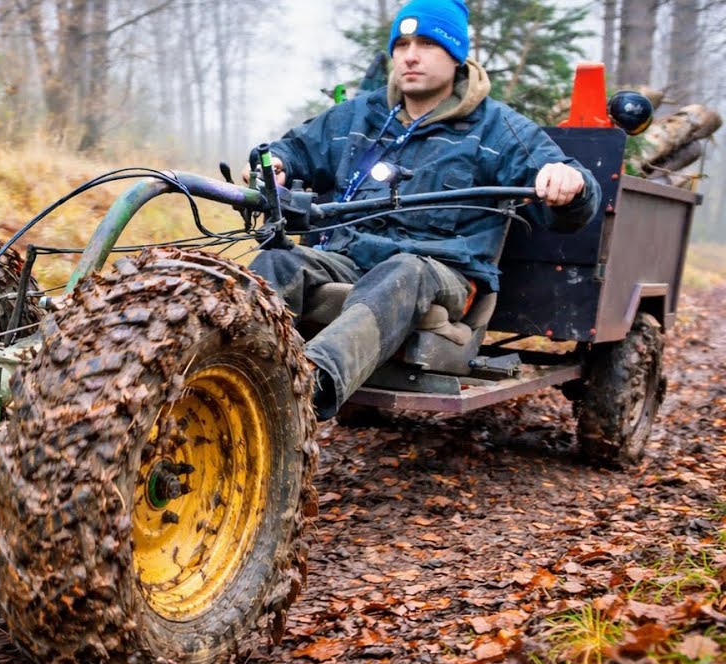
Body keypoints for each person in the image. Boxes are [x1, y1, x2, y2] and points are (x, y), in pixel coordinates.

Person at [248, 0, 600, 419]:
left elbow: (577, 194)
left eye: (428, 44)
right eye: (402, 44)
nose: (410, 56)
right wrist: (279, 166)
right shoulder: (362, 115)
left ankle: (307, 383)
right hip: (348, 258)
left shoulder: (498, 129)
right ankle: (231, 359)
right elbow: (293, 149)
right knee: (280, 259)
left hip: (441, 274)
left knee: (404, 270)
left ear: (455, 54)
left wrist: (569, 184)